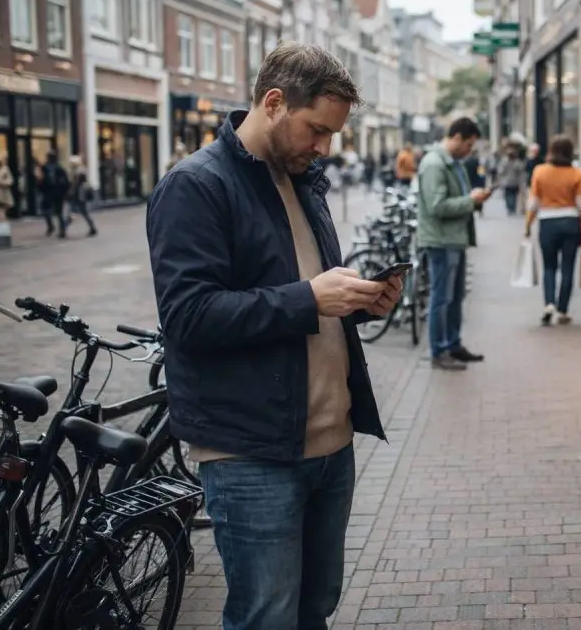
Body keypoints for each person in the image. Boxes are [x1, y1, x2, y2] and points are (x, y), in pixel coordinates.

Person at [145, 42, 403, 630]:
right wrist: (310, 298)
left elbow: (307, 299)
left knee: (315, 608)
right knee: (266, 617)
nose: (324, 148)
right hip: (252, 451)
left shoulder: (304, 179)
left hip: (330, 443)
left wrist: (360, 303)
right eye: (317, 130)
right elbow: (189, 318)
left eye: (332, 135)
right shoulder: (195, 186)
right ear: (274, 101)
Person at [416, 117, 492, 371]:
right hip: (441, 240)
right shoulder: (435, 164)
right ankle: (439, 350)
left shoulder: (453, 163)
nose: (470, 150)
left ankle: (453, 344)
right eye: (469, 144)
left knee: (455, 296)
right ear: (457, 137)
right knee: (442, 298)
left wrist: (475, 199)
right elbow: (436, 206)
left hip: (454, 239)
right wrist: (470, 201)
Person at [525, 135, 581, 326]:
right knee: (567, 267)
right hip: (570, 223)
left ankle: (549, 303)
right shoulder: (576, 174)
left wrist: (527, 224)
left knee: (549, 267)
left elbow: (533, 203)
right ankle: (563, 309)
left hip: (547, 223)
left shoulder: (539, 172)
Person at [39, 151, 70, 238]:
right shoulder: (59, 168)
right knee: (58, 212)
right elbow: (66, 182)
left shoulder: (45, 167)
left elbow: (41, 180)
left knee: (46, 209)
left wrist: (41, 188)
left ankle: (51, 226)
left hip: (49, 192)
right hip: (57, 192)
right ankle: (61, 230)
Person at [67, 156, 97, 236]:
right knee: (84, 212)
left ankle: (64, 228)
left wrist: (71, 192)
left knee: (73, 212)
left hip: (79, 196)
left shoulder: (78, 172)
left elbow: (75, 185)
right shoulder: (81, 170)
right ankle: (92, 228)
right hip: (81, 196)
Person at [498, 144, 525, 216]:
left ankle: (510, 208)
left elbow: (500, 171)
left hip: (508, 182)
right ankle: (511, 208)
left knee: (509, 195)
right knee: (512, 195)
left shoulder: (505, 161)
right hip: (512, 182)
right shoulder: (517, 162)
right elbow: (521, 172)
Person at [0, 153, 13, 222]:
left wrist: (1, 182)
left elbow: (10, 181)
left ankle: (2, 228)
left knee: (2, 212)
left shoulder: (5, 169)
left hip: (3, 193)